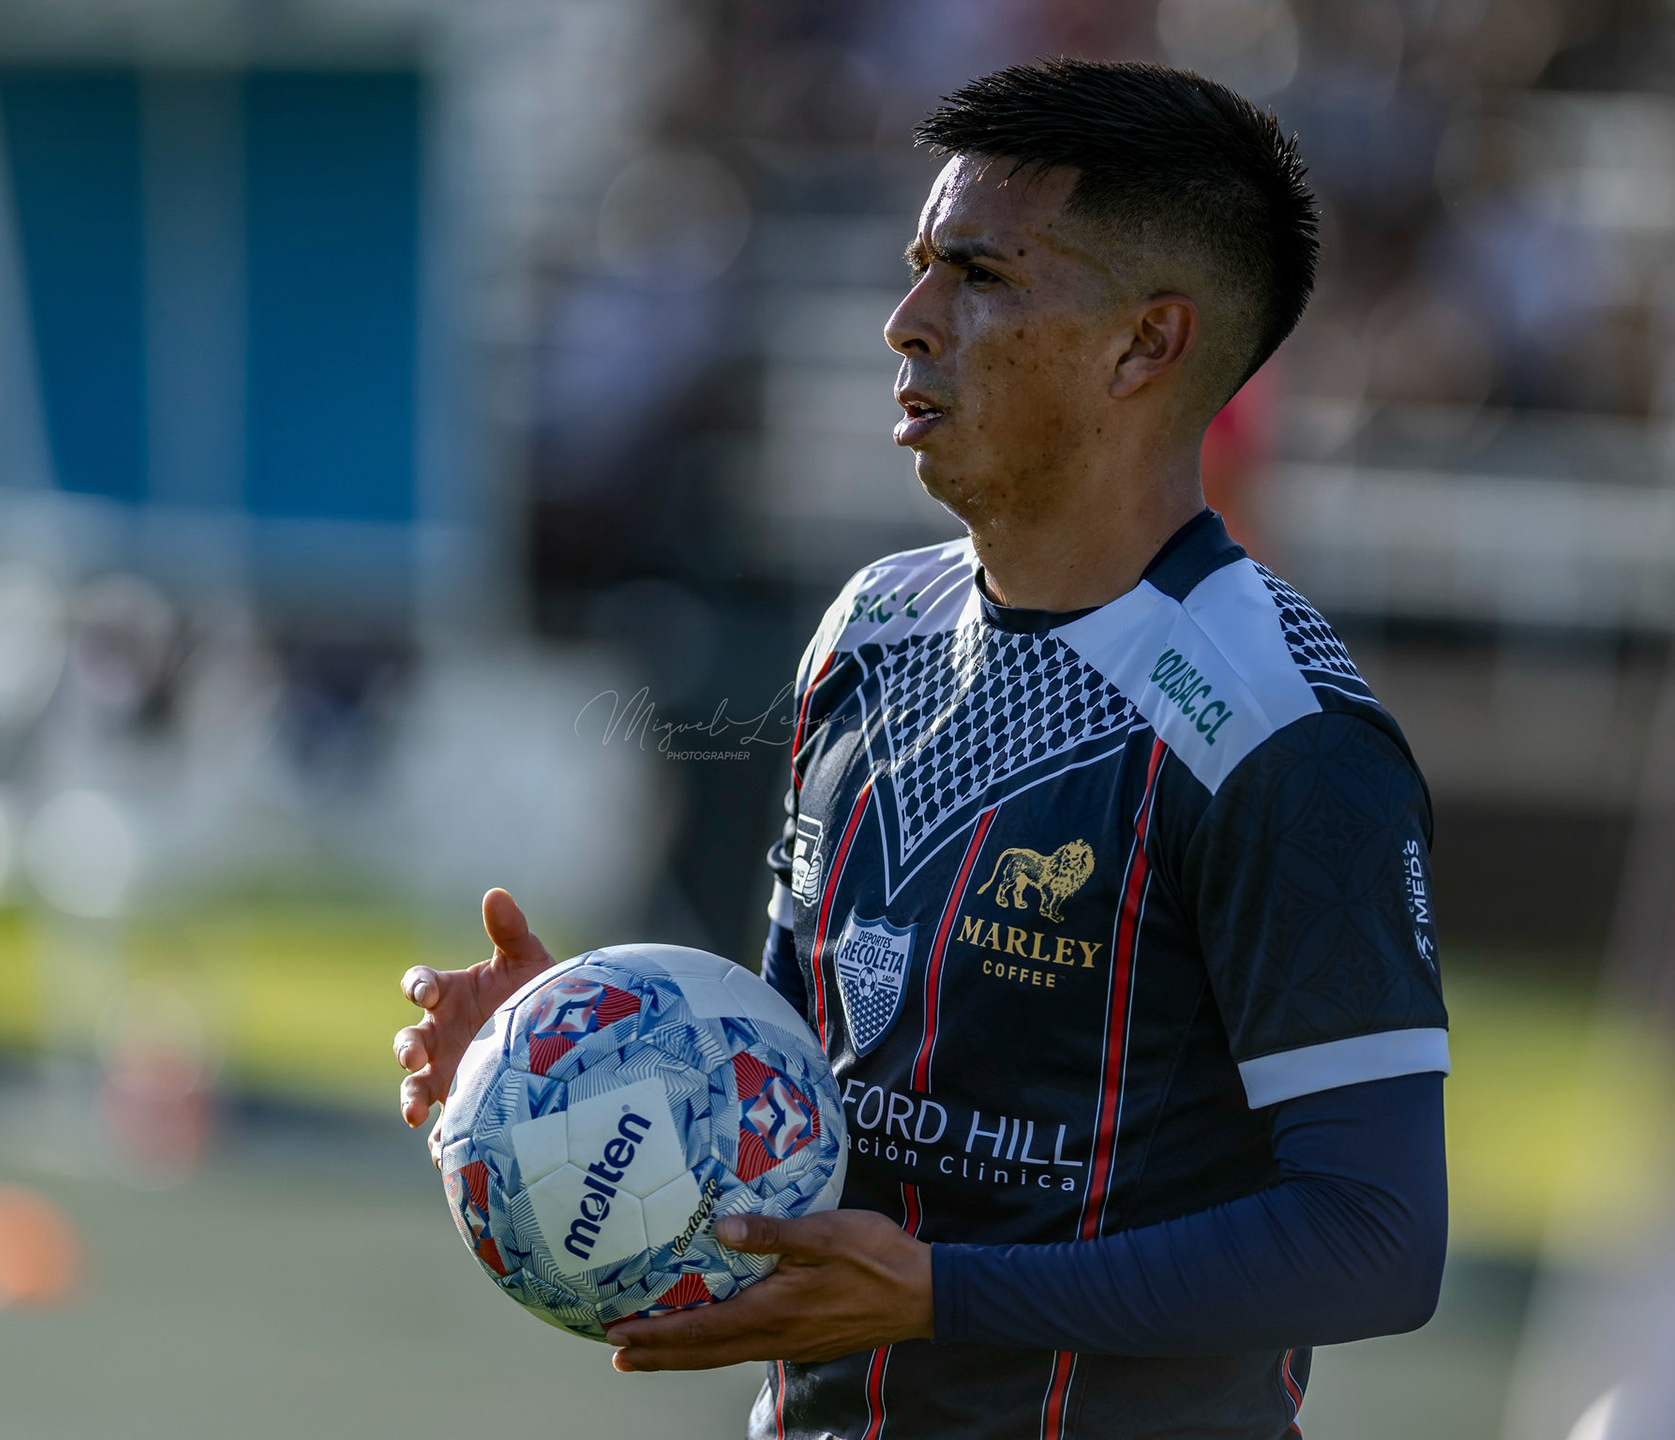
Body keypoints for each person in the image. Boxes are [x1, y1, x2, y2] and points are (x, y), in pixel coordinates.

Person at [395, 59, 1449, 1440]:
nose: (906, 323)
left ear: (1146, 347)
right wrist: (579, 1066)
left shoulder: (1279, 737)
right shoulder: (871, 628)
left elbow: (1376, 1238)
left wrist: (944, 1295)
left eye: (981, 276)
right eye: (915, 268)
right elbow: (804, 1093)